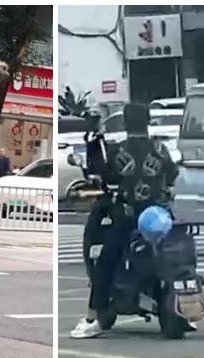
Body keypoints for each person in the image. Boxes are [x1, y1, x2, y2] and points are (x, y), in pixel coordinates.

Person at [71, 103, 179, 339]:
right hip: (160, 215)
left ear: (126, 123)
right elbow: (172, 174)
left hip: (130, 217)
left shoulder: (119, 151)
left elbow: (102, 174)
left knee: (106, 263)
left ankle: (93, 317)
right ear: (148, 122)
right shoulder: (161, 149)